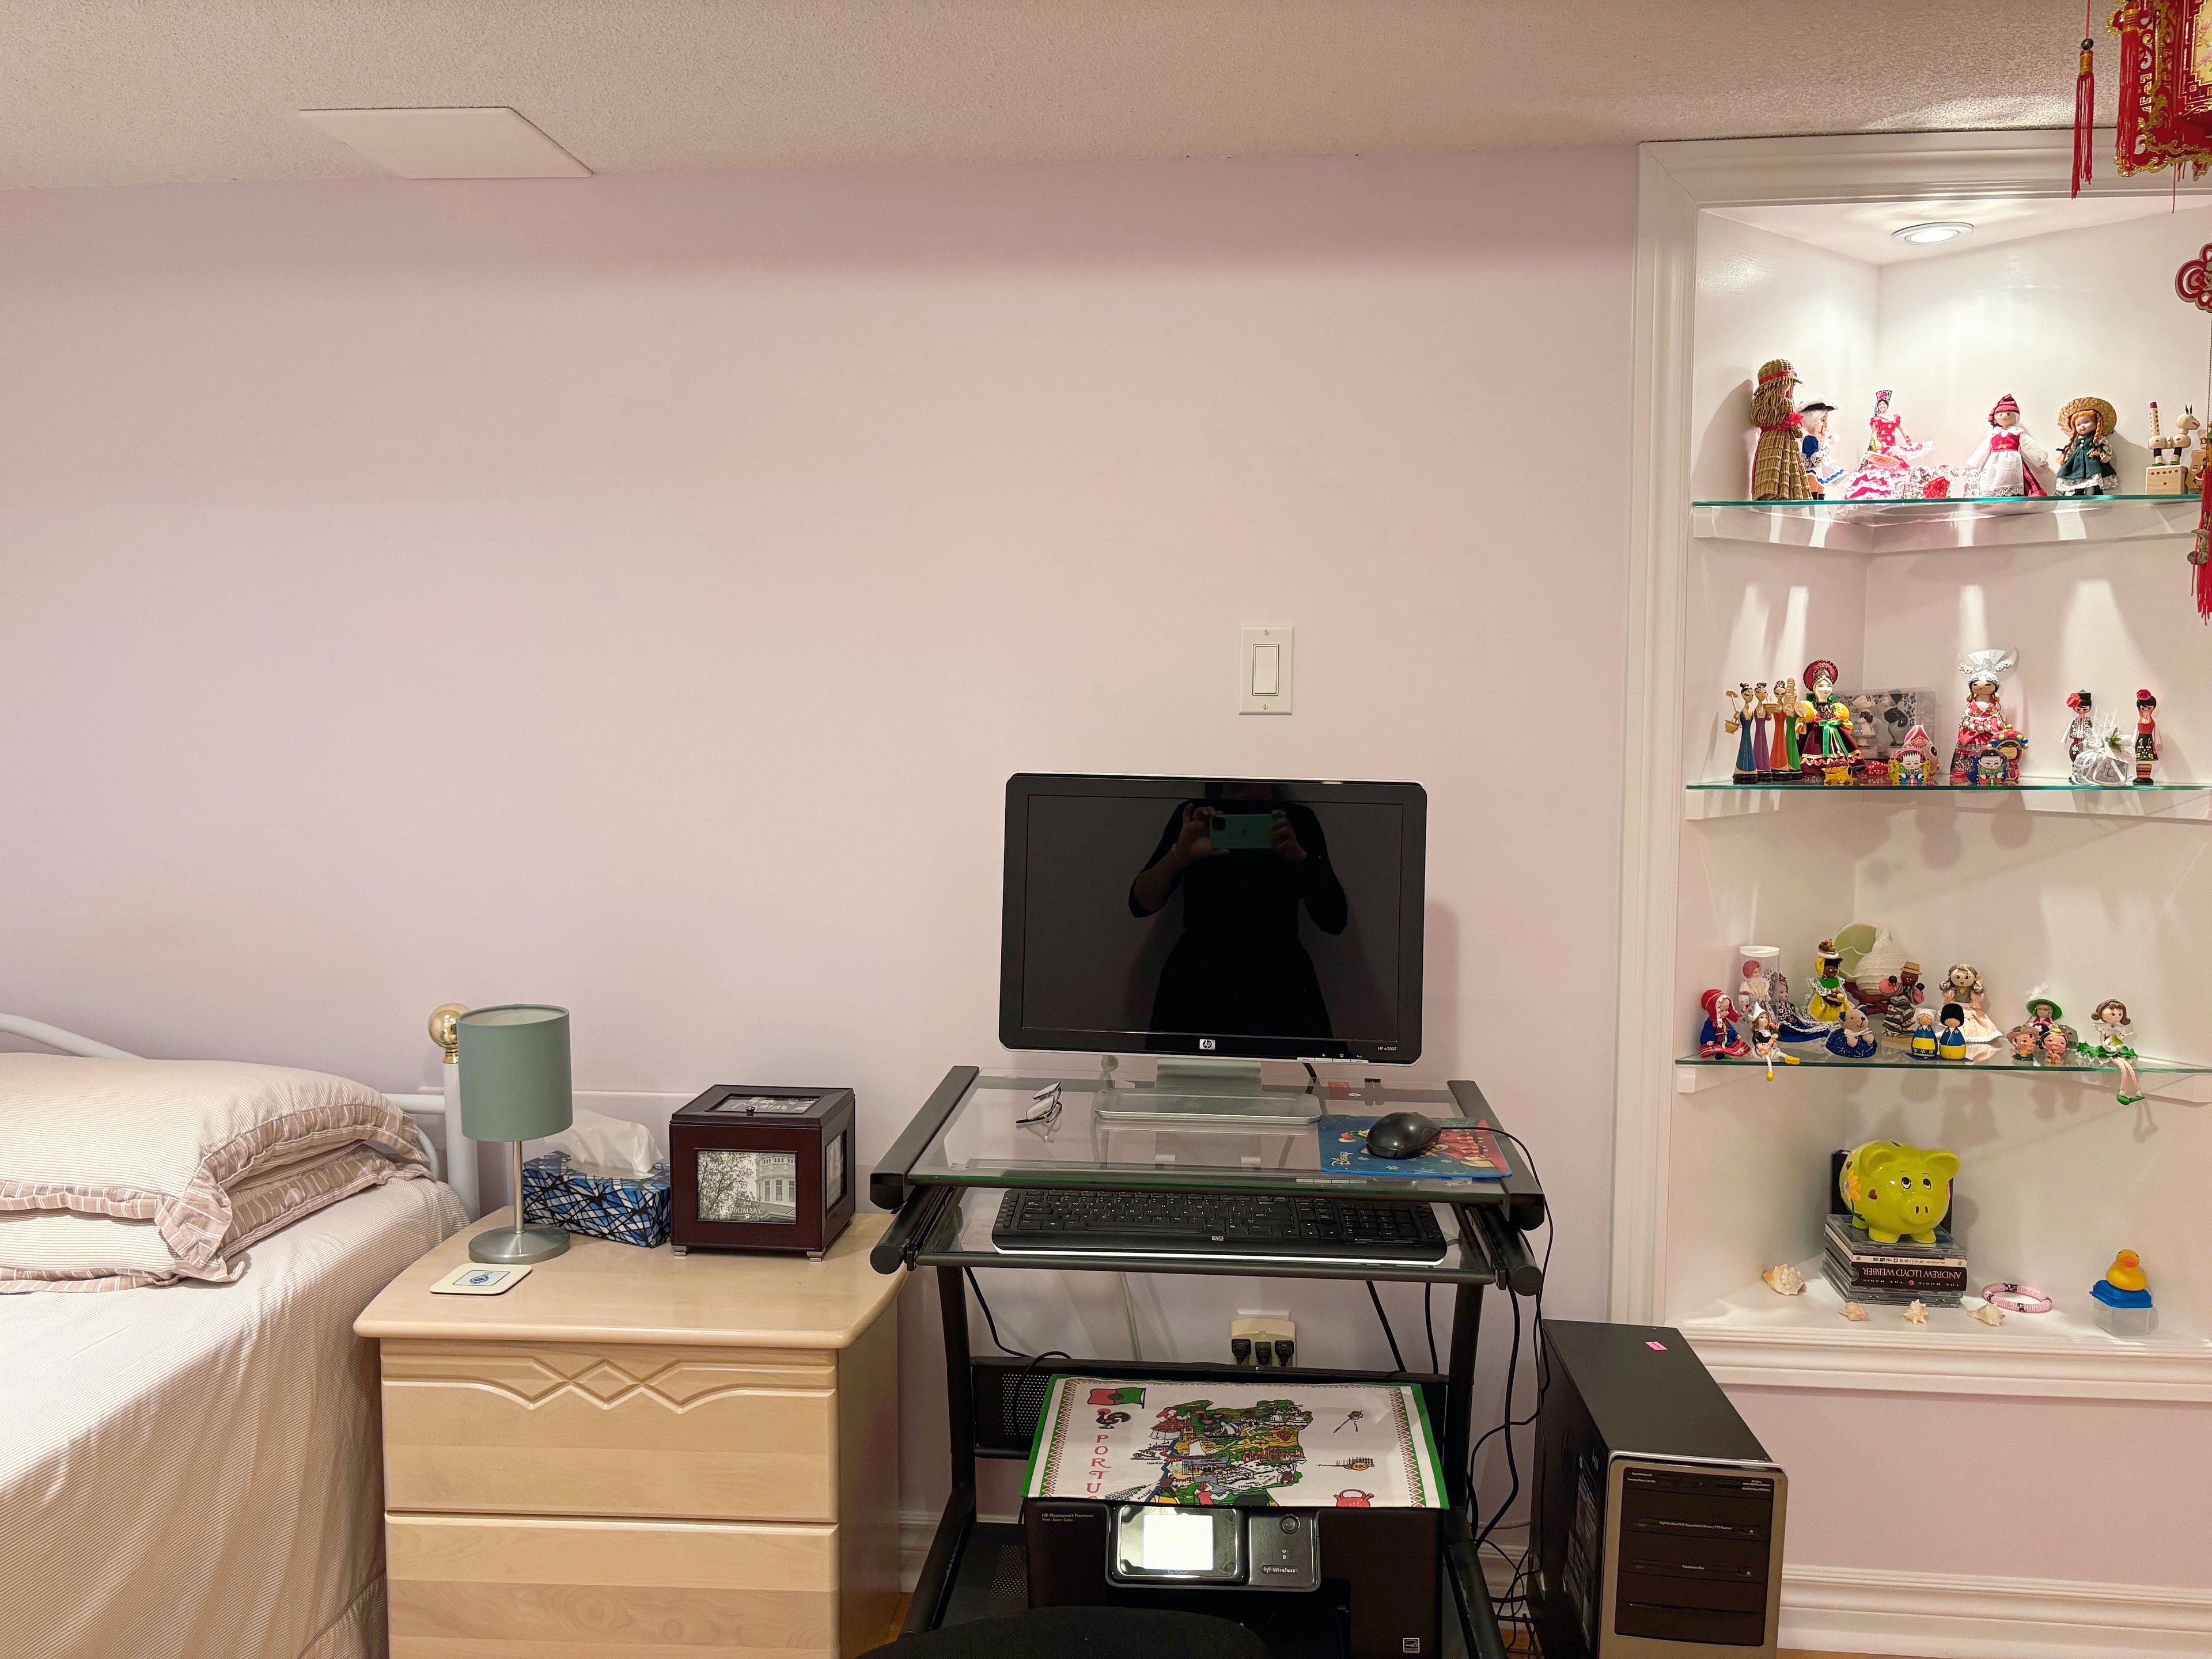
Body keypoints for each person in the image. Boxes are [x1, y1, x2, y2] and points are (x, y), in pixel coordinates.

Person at [1128, 791, 1347, 1041]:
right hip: (1201, 978)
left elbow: (1334, 920)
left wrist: (1301, 859)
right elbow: (1140, 904)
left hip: (1278, 980)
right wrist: (1178, 856)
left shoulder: (1297, 820)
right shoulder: (1196, 816)